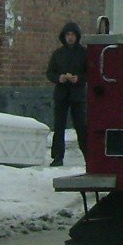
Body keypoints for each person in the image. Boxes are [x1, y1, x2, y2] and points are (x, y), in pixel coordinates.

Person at [46, 20, 90, 165]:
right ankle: (58, 157)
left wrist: (79, 79)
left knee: (81, 127)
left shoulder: (84, 53)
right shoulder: (58, 54)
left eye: (72, 34)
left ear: (77, 36)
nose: (70, 37)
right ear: (64, 36)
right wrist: (59, 78)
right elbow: (50, 72)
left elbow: (90, 72)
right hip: (61, 94)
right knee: (59, 126)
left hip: (78, 95)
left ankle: (89, 156)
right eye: (68, 34)